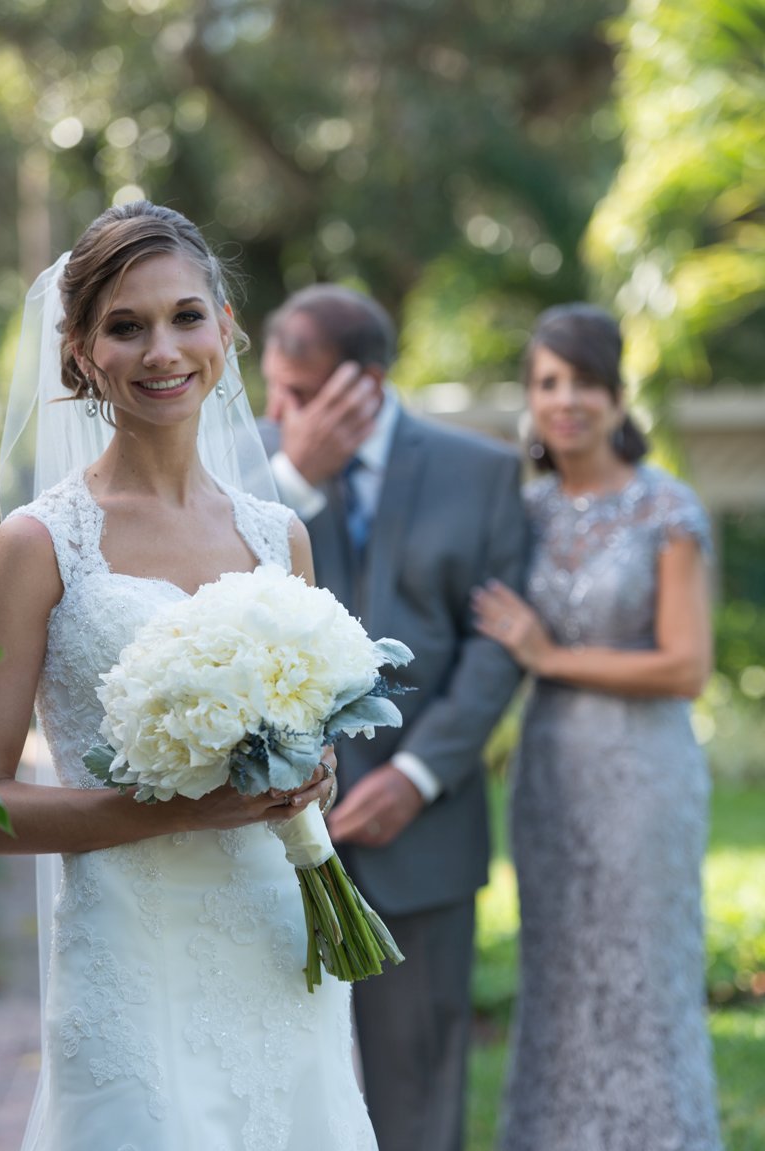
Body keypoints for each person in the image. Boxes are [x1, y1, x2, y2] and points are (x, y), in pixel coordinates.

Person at [0, 201, 379, 1151]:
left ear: (227, 328)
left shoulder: (277, 534)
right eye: (125, 326)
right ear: (79, 352)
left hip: (275, 938)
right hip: (131, 952)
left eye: (184, 317)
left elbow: (305, 727)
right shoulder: (40, 544)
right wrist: (176, 809)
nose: (161, 350)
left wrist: (311, 772)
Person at [258, 284, 528, 1151]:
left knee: (420, 1090)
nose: (275, 410)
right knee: (269, 1092)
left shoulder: (479, 472)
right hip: (266, 833)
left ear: (366, 384)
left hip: (426, 831)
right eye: (271, 388)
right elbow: (210, 606)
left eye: (297, 393)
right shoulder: (244, 468)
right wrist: (295, 473)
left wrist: (416, 776)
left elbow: (499, 646)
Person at [472, 303, 723, 1151]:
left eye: (582, 380)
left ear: (617, 394)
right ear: (530, 397)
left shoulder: (667, 508)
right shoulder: (526, 511)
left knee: (642, 973)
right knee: (560, 973)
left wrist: (551, 656)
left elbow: (686, 667)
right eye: (547, 382)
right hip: (551, 776)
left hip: (643, 774)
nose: (564, 399)